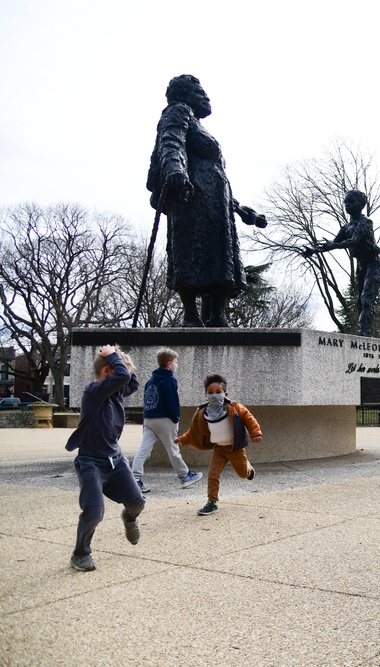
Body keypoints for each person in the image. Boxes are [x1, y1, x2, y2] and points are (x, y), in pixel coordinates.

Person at [146, 74, 267, 328]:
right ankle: (191, 314)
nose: (206, 96)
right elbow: (170, 142)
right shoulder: (178, 111)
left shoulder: (198, 123)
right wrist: (176, 171)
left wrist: (244, 211)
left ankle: (218, 315)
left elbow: (217, 174)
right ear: (184, 95)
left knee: (219, 254)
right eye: (199, 91)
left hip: (215, 203)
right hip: (192, 196)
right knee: (190, 249)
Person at [65, 345, 143, 572]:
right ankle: (80, 553)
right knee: (94, 512)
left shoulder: (115, 392)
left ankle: (129, 518)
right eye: (122, 373)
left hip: (115, 459)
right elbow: (123, 376)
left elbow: (133, 382)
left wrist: (122, 357)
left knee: (137, 503)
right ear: (109, 372)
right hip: (91, 461)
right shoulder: (93, 392)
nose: (125, 380)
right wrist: (110, 355)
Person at [176, 374, 262, 516]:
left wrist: (255, 433)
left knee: (242, 474)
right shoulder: (203, 412)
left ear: (225, 394)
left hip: (235, 448)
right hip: (219, 449)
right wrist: (183, 439)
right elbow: (194, 430)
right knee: (213, 475)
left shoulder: (234, 407)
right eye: (210, 393)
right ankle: (212, 502)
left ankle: (249, 469)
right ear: (205, 394)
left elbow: (249, 418)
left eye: (218, 392)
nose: (214, 395)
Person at [301, 190, 380, 336]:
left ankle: (364, 333)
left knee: (366, 298)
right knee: (359, 300)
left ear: (361, 204)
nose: (347, 205)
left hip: (373, 263)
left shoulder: (365, 222)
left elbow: (354, 241)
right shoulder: (346, 227)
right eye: (346, 202)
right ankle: (362, 331)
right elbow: (334, 242)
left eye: (351, 202)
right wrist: (314, 250)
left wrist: (332, 246)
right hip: (361, 264)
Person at [131, 348, 203, 493]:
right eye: (176, 362)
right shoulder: (170, 380)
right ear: (169, 364)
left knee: (143, 450)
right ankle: (184, 476)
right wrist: (175, 418)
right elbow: (172, 401)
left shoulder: (151, 380)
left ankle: (135, 479)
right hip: (165, 419)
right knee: (173, 449)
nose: (177, 365)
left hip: (149, 419)